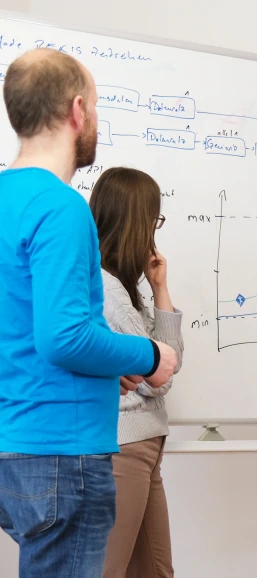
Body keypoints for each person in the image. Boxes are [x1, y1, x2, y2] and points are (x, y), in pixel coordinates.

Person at [0, 49, 178, 577]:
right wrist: (149, 353)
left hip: (14, 447)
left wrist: (107, 362)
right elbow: (64, 337)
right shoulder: (61, 206)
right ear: (77, 110)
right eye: (96, 107)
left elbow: (29, 330)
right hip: (62, 451)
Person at [90, 168, 184, 578]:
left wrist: (160, 287)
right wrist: (158, 370)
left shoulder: (126, 289)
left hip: (144, 448)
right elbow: (162, 376)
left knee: (154, 571)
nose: (154, 229)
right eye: (153, 218)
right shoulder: (106, 290)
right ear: (134, 220)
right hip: (124, 450)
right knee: (109, 571)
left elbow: (166, 362)